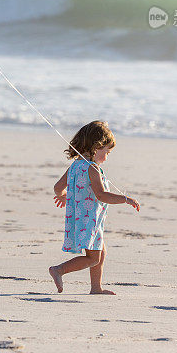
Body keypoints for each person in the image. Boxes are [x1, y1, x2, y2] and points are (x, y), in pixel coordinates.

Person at [49, 120, 140, 295]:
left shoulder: (75, 166)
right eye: (107, 151)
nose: (107, 156)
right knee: (93, 258)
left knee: (101, 252)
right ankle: (59, 270)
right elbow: (101, 195)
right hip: (88, 220)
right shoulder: (92, 168)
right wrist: (125, 199)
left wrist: (63, 196)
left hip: (81, 219)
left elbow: (57, 188)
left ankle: (96, 287)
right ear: (96, 147)